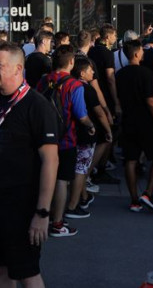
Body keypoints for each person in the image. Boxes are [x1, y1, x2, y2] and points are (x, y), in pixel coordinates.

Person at [0, 42, 59, 288]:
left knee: (27, 274)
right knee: (0, 272)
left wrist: (42, 213)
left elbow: (50, 161)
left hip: (21, 208)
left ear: (18, 68)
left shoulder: (38, 106)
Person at [41, 46, 93, 236]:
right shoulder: (75, 85)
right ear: (71, 63)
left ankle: (42, 216)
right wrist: (91, 125)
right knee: (62, 180)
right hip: (66, 139)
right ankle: (57, 222)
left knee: (45, 177)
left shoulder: (43, 80)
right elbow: (81, 114)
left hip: (44, 137)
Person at [115, 39, 153, 213]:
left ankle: (134, 199)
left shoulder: (119, 74)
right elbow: (151, 102)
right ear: (137, 53)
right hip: (146, 120)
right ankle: (148, 192)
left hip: (129, 120)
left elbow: (119, 99)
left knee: (130, 160)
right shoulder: (146, 73)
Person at [65, 56, 110, 220]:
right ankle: (73, 205)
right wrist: (107, 129)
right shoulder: (87, 89)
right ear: (82, 73)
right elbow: (98, 112)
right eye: (90, 70)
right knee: (81, 170)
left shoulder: (67, 85)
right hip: (85, 133)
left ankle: (83, 198)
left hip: (69, 133)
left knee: (77, 168)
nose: (93, 72)